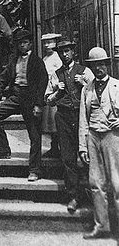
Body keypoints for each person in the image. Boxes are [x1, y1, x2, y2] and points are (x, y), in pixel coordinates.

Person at [0, 29, 48, 182]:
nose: (22, 45)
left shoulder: (37, 61)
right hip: (16, 97)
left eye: (25, 42)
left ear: (30, 44)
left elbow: (42, 84)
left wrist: (38, 105)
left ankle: (34, 170)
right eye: (20, 43)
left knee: (34, 135)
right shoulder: (13, 60)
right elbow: (2, 78)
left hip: (31, 99)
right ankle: (3, 150)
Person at [45, 37, 94, 214]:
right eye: (61, 52)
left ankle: (92, 193)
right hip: (64, 117)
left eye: (67, 51)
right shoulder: (56, 74)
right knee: (67, 157)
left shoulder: (85, 71)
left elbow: (96, 93)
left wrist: (85, 85)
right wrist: (58, 91)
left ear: (73, 52)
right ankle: (73, 196)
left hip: (83, 117)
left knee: (88, 154)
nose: (65, 54)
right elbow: (48, 101)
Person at [79, 47, 119, 240]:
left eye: (101, 64)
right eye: (95, 65)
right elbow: (83, 119)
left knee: (117, 183)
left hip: (112, 137)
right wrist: (82, 145)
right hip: (93, 137)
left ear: (107, 65)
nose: (98, 68)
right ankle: (102, 226)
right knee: (96, 183)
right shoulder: (87, 89)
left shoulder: (117, 86)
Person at [40, 33, 63, 159]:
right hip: (47, 91)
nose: (47, 45)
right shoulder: (45, 58)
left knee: (55, 120)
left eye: (50, 42)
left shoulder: (57, 57)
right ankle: (53, 147)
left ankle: (58, 147)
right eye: (45, 43)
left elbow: (59, 75)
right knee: (49, 122)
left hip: (55, 91)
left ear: (55, 43)